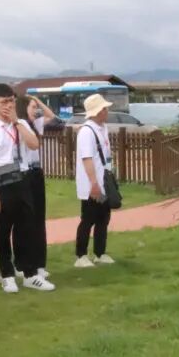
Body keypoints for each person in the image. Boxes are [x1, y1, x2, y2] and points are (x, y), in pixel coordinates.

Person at [0, 83, 53, 293]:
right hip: (3, 182)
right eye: (4, 102)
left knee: (27, 228)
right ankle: (7, 274)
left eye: (11, 101)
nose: (8, 106)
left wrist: (17, 123)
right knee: (4, 229)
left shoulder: (21, 123)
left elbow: (34, 144)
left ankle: (30, 273)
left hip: (24, 179)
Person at [14, 95, 57, 281]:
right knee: (24, 221)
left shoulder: (34, 125)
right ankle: (21, 263)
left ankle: (39, 264)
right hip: (23, 173)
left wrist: (37, 100)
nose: (35, 110)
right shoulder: (18, 125)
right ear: (23, 108)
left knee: (39, 219)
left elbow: (51, 116)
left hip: (36, 172)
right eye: (32, 107)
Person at [74, 94, 115, 268]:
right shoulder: (87, 131)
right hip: (92, 184)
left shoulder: (102, 128)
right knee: (88, 219)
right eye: (104, 108)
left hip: (104, 182)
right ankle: (81, 255)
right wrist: (93, 183)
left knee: (103, 218)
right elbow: (87, 158)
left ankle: (100, 253)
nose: (107, 111)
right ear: (97, 111)